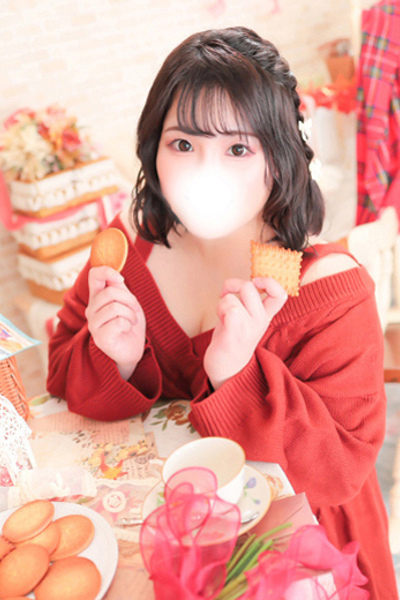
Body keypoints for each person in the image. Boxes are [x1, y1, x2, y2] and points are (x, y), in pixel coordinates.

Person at [47, 27, 397, 598]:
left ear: (278, 158)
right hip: (161, 537)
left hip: (296, 553)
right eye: (183, 144)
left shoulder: (329, 289)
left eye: (237, 149)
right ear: (153, 150)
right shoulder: (128, 249)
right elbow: (63, 377)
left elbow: (340, 473)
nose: (204, 171)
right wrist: (118, 360)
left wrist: (239, 374)